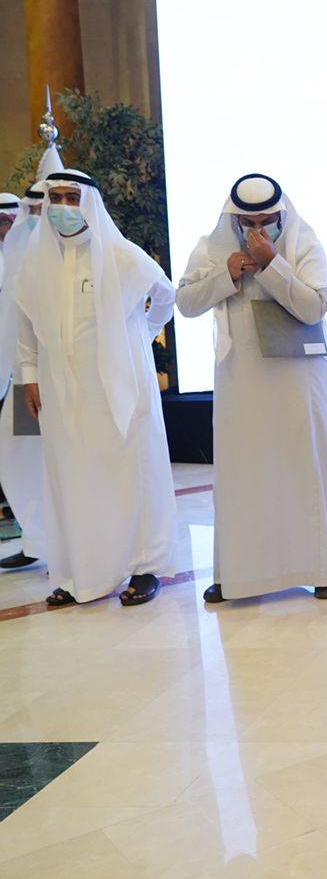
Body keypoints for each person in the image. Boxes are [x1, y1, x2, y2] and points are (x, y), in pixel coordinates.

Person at [177, 174, 327, 602]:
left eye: (266, 221)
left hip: (299, 378)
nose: (257, 230)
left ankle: (321, 568)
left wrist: (273, 264)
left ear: (281, 215)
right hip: (242, 379)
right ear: (234, 219)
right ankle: (240, 573)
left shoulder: (303, 242)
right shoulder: (212, 247)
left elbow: (314, 308)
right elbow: (184, 303)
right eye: (248, 222)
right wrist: (226, 273)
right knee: (245, 473)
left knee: (303, 467)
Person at [14, 170, 177, 606]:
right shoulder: (37, 260)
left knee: (131, 473)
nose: (63, 207)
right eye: (56, 198)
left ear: (90, 203)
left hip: (120, 386)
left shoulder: (121, 254)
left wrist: (141, 335)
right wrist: (29, 375)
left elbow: (165, 296)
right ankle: (80, 573)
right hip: (61, 389)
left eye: (72, 198)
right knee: (73, 476)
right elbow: (25, 324)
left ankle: (144, 567)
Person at [0, 188, 43, 571]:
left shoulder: (45, 254)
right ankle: (37, 538)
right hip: (23, 381)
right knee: (19, 455)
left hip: (55, 381)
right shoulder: (13, 254)